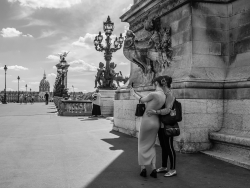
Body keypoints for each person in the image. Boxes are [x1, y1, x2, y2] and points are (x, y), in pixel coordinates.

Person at [130, 76, 166, 178]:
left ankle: (143, 169)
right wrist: (137, 92)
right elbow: (148, 99)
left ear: (155, 83)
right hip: (156, 121)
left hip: (147, 120)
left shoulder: (153, 94)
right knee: (151, 144)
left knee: (142, 144)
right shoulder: (162, 95)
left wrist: (133, 94)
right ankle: (153, 168)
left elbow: (142, 100)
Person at [146, 76, 177, 177]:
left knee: (169, 147)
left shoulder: (170, 94)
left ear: (163, 83)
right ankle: (164, 166)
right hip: (161, 124)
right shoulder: (163, 94)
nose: (155, 85)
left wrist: (155, 111)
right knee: (164, 146)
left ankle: (173, 169)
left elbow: (168, 109)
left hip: (168, 124)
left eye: (156, 83)